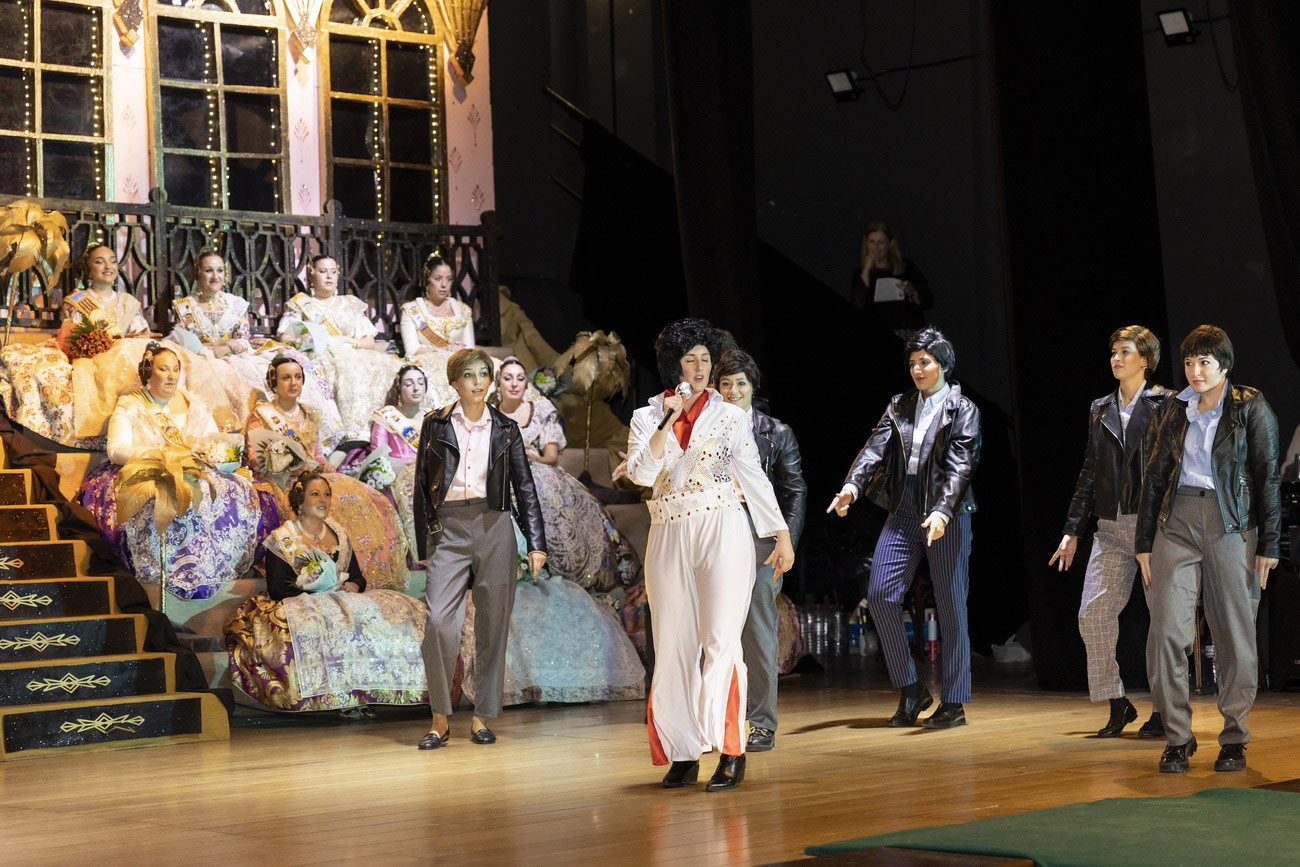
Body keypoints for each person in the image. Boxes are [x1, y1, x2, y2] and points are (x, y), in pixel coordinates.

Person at [626, 319, 794, 792]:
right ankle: (683, 753)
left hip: (722, 526)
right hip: (668, 531)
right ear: (674, 365)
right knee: (673, 645)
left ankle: (731, 751)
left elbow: (754, 477)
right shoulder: (646, 416)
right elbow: (641, 475)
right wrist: (667, 420)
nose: (699, 368)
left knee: (721, 641)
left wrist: (780, 535)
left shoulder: (731, 417)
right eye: (690, 360)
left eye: (705, 359)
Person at [1135, 325, 1280, 774]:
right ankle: (1177, 737)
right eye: (1188, 362)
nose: (1195, 371)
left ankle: (1234, 737)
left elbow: (1268, 475)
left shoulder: (1249, 405)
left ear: (1224, 365)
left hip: (1230, 523)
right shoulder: (1173, 409)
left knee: (1234, 633)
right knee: (1165, 632)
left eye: (1204, 362)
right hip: (1176, 522)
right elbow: (1154, 475)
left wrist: (1270, 544)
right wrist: (1143, 542)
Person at [828, 326, 980, 729]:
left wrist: (943, 511)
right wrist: (851, 487)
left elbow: (961, 464)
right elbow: (873, 450)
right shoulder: (899, 405)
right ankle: (912, 688)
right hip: (904, 508)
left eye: (925, 362)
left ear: (942, 364)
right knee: (880, 595)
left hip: (947, 513)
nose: (917, 369)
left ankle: (954, 702)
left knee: (951, 607)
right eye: (912, 363)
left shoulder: (962, 409)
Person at [413, 348, 547, 750]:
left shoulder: (505, 427)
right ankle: (439, 718)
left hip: (494, 525)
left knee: (493, 623)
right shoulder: (436, 424)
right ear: (455, 381)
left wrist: (536, 544)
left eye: (483, 374)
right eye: (468, 375)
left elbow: (525, 486)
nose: (477, 382)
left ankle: (482, 716)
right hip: (448, 528)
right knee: (439, 622)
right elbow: (421, 486)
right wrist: (425, 542)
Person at [1050, 325, 1171, 739]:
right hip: (1110, 526)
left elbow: (1172, 468)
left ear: (1146, 360)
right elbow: (1090, 471)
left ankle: (1165, 709)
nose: (1116, 359)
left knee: (1163, 620)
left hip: (1154, 527)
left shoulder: (1167, 403)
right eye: (1114, 352)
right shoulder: (1100, 407)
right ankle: (1117, 702)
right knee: (1093, 614)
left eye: (1125, 352)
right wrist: (1072, 530)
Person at [224, 472, 428, 715]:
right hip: (300, 603)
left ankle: (375, 691)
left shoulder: (339, 534)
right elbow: (278, 588)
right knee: (329, 624)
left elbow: (358, 577)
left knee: (391, 613)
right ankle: (339, 697)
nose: (323, 500)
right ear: (300, 501)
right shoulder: (282, 539)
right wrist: (314, 589)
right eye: (315, 494)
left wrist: (355, 585)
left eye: (327, 494)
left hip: (343, 599)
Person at [77, 342, 261, 600]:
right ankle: (169, 571)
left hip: (192, 470)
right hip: (145, 471)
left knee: (223, 491)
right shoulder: (131, 404)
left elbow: (209, 442)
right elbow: (116, 450)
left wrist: (213, 455)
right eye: (163, 369)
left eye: (175, 369)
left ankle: (206, 567)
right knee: (165, 497)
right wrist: (162, 455)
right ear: (148, 372)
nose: (171, 376)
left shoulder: (193, 403)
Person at [245, 355, 409, 590]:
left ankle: (357, 573)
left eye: (298, 377)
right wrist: (287, 466)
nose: (293, 383)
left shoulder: (311, 413)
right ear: (274, 383)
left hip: (311, 477)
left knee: (359, 496)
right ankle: (315, 572)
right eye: (286, 378)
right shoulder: (262, 415)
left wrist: (326, 465)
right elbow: (255, 457)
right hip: (280, 481)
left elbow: (317, 454)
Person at [714, 349, 806, 753]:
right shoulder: (706, 426)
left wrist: (787, 540)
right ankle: (715, 719)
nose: (733, 391)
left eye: (740, 383)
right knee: (714, 628)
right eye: (725, 383)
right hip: (714, 529)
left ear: (753, 388)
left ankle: (762, 722)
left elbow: (794, 490)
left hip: (761, 535)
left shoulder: (776, 432)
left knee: (757, 627)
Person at [495, 356, 640, 592]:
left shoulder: (540, 410)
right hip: (502, 473)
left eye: (520, 379)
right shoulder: (490, 415)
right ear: (498, 383)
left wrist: (529, 457)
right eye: (508, 378)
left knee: (550, 497)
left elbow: (551, 457)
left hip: (537, 469)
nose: (514, 384)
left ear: (525, 384)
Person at [277, 254, 413, 439]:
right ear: (311, 275)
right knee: (345, 368)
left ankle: (385, 431)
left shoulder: (350, 303)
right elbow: (285, 337)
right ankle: (351, 434)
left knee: (392, 368)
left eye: (333, 272)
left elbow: (369, 341)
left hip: (353, 352)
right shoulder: (301, 305)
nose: (329, 276)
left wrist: (351, 342)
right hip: (322, 354)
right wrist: (308, 341)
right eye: (323, 271)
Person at [399, 254, 474, 407]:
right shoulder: (412, 310)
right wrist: (444, 350)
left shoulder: (463, 311)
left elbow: (470, 349)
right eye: (438, 278)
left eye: (449, 279)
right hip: (428, 365)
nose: (444, 285)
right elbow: (411, 350)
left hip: (460, 365)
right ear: (427, 280)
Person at [848, 221, 933, 336]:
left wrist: (912, 292)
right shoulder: (860, 274)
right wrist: (866, 269)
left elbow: (928, 301)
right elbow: (858, 305)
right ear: (866, 243)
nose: (876, 247)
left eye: (881, 242)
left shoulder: (907, 266)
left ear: (890, 244)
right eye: (872, 242)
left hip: (908, 333)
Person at [171, 250, 254, 358]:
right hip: (198, 360)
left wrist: (227, 348)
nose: (215, 276)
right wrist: (218, 345)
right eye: (209, 270)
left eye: (220, 270)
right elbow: (183, 345)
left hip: (234, 359)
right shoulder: (185, 306)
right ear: (198, 274)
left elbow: (244, 341)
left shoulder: (236, 304)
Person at [60, 244, 151, 340]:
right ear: (88, 267)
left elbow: (142, 338)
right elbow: (74, 341)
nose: (108, 266)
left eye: (113, 261)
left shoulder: (128, 302)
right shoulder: (76, 301)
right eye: (99, 262)